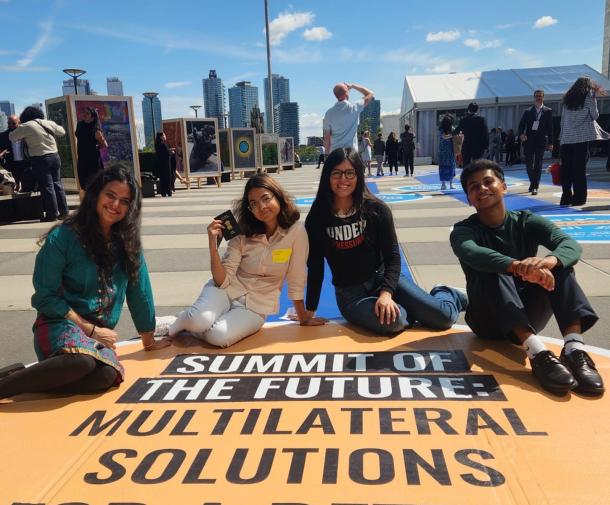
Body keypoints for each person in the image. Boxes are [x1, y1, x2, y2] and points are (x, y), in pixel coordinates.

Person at [0, 166, 168, 400]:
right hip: (59, 324)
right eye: (110, 195)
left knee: (106, 377)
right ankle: (6, 387)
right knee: (80, 362)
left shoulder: (128, 244)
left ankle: (23, 378)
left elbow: (140, 291)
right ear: (96, 194)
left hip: (97, 337)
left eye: (124, 200)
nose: (115, 205)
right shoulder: (64, 237)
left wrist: (148, 339)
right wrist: (91, 330)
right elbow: (45, 296)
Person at [450, 159, 603, 397]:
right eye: (473, 187)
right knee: (490, 268)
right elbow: (471, 252)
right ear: (469, 199)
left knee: (561, 267)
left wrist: (549, 262)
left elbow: (568, 244)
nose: (482, 189)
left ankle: (574, 349)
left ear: (503, 186)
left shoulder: (526, 221)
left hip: (529, 313)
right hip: (487, 319)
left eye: (488, 181)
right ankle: (539, 355)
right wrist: (519, 266)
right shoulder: (463, 230)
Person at [304, 148, 467, 336]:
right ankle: (408, 310)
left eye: (350, 173)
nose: (343, 180)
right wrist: (310, 311)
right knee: (393, 321)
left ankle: (446, 292)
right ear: (327, 176)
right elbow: (315, 266)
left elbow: (393, 256)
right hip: (351, 295)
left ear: (359, 175)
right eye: (336, 173)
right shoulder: (317, 218)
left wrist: (386, 293)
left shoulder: (376, 210)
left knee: (443, 318)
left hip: (384, 279)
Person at [156, 174, 327, 347]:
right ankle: (174, 324)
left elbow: (296, 277)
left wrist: (303, 317)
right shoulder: (243, 233)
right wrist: (212, 246)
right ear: (249, 209)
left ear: (278, 197)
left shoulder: (296, 232)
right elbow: (222, 281)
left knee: (220, 337)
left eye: (266, 198)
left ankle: (194, 322)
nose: (261, 206)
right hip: (226, 290)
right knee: (199, 320)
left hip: (257, 307)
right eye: (254, 204)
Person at [9, 106, 69, 221]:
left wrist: (20, 128)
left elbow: (12, 137)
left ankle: (52, 214)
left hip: (40, 159)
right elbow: (62, 131)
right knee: (57, 183)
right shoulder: (47, 123)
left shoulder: (27, 126)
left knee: (47, 186)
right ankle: (64, 211)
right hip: (55, 156)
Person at [558, 77, 610, 206]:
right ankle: (579, 198)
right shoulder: (589, 95)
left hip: (567, 138)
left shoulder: (567, 98)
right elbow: (595, 115)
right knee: (579, 170)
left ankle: (565, 197)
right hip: (581, 137)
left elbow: (563, 120)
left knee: (566, 170)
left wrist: (562, 138)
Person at [518, 90, 553, 195]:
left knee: (538, 164)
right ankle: (533, 183)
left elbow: (551, 128)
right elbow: (521, 126)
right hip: (529, 141)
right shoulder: (528, 111)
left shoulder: (548, 111)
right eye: (537, 96)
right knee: (529, 164)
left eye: (540, 96)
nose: (538, 98)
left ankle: (535, 186)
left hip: (541, 141)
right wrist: (521, 135)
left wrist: (551, 142)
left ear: (543, 97)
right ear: (534, 97)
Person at [323, 82, 375, 153]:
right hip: (351, 153)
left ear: (336, 95)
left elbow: (327, 138)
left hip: (335, 153)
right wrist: (353, 86)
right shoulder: (354, 106)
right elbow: (370, 94)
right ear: (347, 93)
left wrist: (326, 156)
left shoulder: (328, 113)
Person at [75, 107, 107, 191]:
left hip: (93, 160)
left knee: (95, 185)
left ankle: (95, 203)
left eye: (87, 113)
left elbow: (104, 145)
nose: (84, 114)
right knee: (85, 184)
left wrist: (97, 144)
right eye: (84, 112)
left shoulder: (96, 129)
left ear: (92, 117)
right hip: (82, 159)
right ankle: (89, 203)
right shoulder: (79, 125)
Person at [0, 115, 33, 192]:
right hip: (12, 162)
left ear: (19, 123)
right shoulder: (3, 135)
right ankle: (17, 186)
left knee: (27, 184)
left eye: (13, 123)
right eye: (9, 123)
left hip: (26, 162)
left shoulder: (26, 133)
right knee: (16, 182)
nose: (10, 125)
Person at [438, 114, 457, 190]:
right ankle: (448, 184)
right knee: (450, 166)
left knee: (446, 166)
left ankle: (445, 184)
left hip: (445, 150)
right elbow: (444, 137)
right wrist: (452, 135)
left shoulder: (443, 129)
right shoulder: (449, 129)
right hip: (448, 150)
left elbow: (444, 136)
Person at [154, 132, 173, 197]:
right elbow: (167, 153)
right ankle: (169, 191)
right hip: (166, 163)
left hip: (160, 163)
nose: (165, 136)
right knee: (168, 177)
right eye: (164, 135)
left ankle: (163, 192)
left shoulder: (157, 144)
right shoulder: (163, 144)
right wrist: (172, 152)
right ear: (161, 137)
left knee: (162, 178)